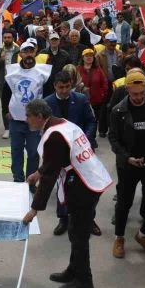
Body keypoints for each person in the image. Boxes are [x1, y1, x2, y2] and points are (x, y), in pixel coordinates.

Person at [22, 99, 111, 288]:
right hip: (88, 177)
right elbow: (56, 160)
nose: (26, 119)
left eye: (28, 116)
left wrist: (34, 209)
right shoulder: (60, 123)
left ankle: (84, 280)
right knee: (74, 230)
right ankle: (73, 270)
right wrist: (38, 172)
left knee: (79, 235)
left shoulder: (54, 135)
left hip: (83, 185)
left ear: (39, 116)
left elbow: (50, 177)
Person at [109, 70, 145, 259]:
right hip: (128, 164)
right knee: (124, 203)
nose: (139, 97)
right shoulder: (118, 111)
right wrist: (127, 158)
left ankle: (143, 234)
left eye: (142, 93)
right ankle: (119, 238)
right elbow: (113, 139)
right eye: (134, 94)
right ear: (127, 90)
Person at [44, 72, 100, 237]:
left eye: (67, 87)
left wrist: (86, 139)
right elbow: (45, 128)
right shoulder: (47, 103)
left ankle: (90, 219)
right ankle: (63, 218)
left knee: (88, 187)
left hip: (82, 151)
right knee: (62, 186)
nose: (64, 90)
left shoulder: (81, 99)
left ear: (71, 85)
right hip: (60, 153)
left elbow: (91, 121)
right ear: (55, 85)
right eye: (61, 87)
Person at [3, 39, 52, 185]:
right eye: (25, 51)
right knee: (16, 152)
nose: (28, 54)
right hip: (16, 120)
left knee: (33, 153)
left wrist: (45, 118)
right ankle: (18, 180)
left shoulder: (42, 72)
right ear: (21, 54)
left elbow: (48, 95)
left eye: (31, 51)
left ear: (35, 52)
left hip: (35, 123)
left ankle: (30, 182)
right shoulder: (12, 72)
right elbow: (5, 93)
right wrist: (6, 110)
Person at [0, 30, 19, 139]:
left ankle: (15, 126)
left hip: (15, 82)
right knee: (5, 105)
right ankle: (7, 128)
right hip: (3, 82)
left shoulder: (18, 50)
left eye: (9, 37)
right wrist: (1, 60)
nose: (7, 39)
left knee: (15, 104)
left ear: (13, 39)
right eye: (5, 37)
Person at [77, 49, 109, 137]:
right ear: (83, 57)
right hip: (81, 100)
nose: (89, 57)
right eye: (86, 56)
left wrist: (102, 94)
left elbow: (104, 83)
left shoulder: (98, 70)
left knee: (93, 120)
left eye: (91, 56)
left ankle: (92, 138)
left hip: (96, 100)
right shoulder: (78, 69)